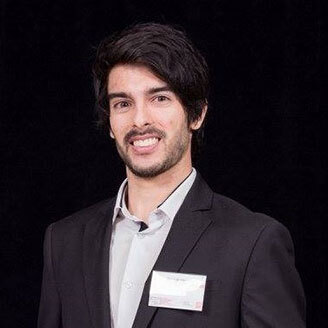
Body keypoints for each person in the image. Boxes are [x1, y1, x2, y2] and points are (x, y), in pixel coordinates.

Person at [38, 23, 306, 328]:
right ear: (110, 123)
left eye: (159, 98)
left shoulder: (253, 244)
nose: (140, 120)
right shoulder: (63, 242)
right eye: (123, 103)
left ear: (196, 114)